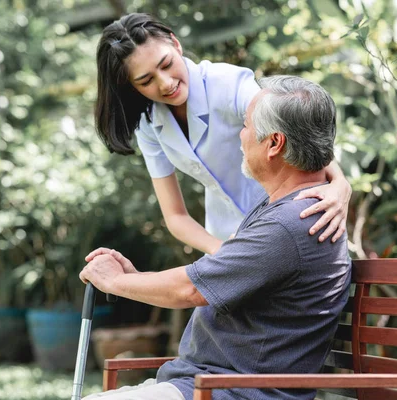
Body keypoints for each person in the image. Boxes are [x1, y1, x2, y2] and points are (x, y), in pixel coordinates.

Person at [81, 75, 352, 400]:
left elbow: (190, 289)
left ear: (274, 144)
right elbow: (206, 280)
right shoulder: (285, 208)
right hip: (207, 383)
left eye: (246, 126)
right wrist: (135, 278)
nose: (241, 135)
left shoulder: (289, 225)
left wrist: (113, 282)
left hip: (234, 392)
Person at [94, 13, 352, 254]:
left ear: (175, 44)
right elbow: (175, 217)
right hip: (227, 236)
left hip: (291, 220)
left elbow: (296, 131)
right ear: (130, 86)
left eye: (166, 64)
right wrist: (224, 251)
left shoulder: (226, 83)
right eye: (146, 81)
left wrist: (340, 184)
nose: (165, 83)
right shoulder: (149, 124)